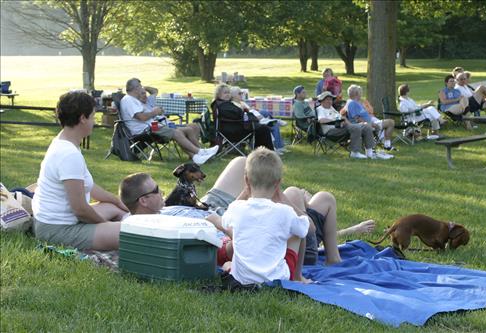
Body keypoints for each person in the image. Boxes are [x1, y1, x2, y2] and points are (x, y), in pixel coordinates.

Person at [119, 156, 376, 269]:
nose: (162, 190)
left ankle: (291, 200)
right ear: (143, 201)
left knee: (243, 162)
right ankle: (331, 238)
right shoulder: (157, 228)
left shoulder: (160, 210)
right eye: (156, 189)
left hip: (220, 208)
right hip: (252, 224)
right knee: (303, 195)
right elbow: (234, 236)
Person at [32, 92, 129, 250]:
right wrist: (104, 225)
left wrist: (116, 200)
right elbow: (80, 210)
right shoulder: (68, 154)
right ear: (83, 118)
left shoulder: (65, 142)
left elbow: (85, 185)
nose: (94, 121)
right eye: (92, 116)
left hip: (54, 223)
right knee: (133, 234)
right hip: (57, 230)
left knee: (113, 208)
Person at [208, 148, 311, 284]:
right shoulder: (285, 212)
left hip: (241, 278)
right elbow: (305, 228)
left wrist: (215, 218)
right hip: (278, 278)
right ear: (278, 184)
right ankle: (298, 277)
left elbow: (225, 220)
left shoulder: (237, 208)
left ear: (246, 180)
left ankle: (229, 266)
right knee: (297, 233)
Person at [120, 78, 218, 165]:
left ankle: (197, 156)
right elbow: (141, 117)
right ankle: (200, 152)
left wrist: (155, 112)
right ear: (136, 88)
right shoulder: (129, 100)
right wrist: (154, 112)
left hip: (152, 126)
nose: (142, 89)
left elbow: (153, 95)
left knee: (188, 129)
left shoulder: (133, 99)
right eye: (140, 86)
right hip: (145, 129)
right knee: (177, 132)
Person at [211, 83, 274, 151]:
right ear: (218, 94)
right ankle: (267, 153)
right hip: (233, 131)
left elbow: (239, 114)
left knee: (261, 127)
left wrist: (251, 117)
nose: (228, 94)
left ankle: (260, 152)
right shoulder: (224, 106)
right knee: (264, 129)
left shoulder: (222, 103)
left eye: (229, 92)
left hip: (232, 128)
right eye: (225, 93)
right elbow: (239, 115)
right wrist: (253, 118)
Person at [138, 87, 203, 151]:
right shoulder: (138, 106)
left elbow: (155, 91)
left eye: (145, 93)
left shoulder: (149, 100)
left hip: (170, 124)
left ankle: (195, 155)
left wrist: (143, 87)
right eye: (142, 94)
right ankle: (201, 152)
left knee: (195, 126)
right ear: (137, 96)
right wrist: (155, 112)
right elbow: (148, 121)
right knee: (189, 130)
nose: (145, 95)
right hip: (163, 127)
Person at [229, 86, 287, 154]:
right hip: (250, 123)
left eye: (242, 93)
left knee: (267, 114)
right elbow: (244, 115)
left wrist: (252, 109)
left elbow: (249, 110)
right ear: (233, 96)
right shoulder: (234, 105)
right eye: (239, 93)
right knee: (273, 125)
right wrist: (252, 113)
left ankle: (278, 146)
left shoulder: (241, 102)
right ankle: (275, 147)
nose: (242, 94)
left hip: (253, 118)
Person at [344, 85, 393, 159]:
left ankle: (379, 148)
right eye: (360, 92)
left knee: (390, 122)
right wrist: (372, 124)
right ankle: (375, 150)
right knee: (386, 123)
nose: (361, 94)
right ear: (357, 94)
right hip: (361, 125)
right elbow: (357, 118)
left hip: (369, 123)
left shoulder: (358, 103)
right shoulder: (352, 103)